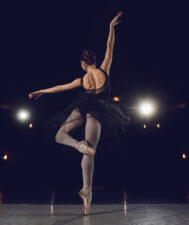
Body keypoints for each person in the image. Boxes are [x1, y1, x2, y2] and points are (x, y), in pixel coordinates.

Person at [28, 11, 129, 215]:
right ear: (93, 60)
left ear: (83, 64)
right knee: (90, 150)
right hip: (97, 113)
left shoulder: (81, 80)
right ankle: (87, 189)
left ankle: (77, 145)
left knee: (60, 136)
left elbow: (60, 87)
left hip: (82, 108)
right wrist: (111, 26)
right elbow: (110, 47)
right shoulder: (104, 70)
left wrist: (41, 91)